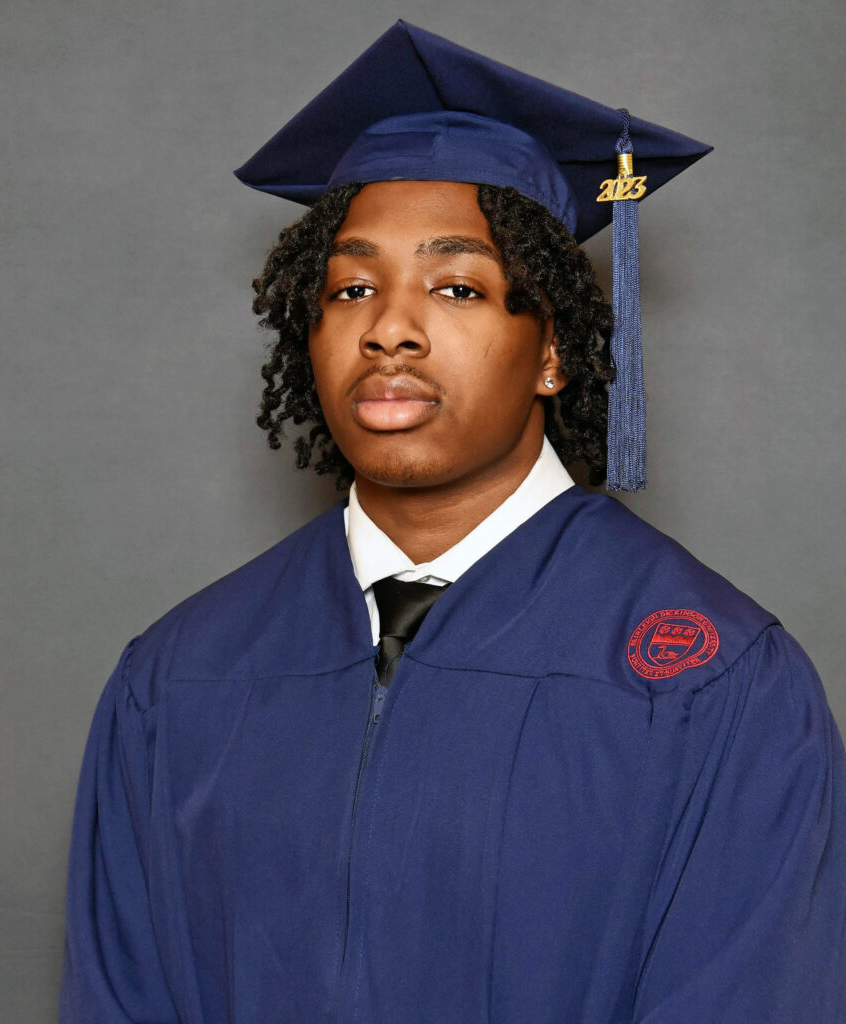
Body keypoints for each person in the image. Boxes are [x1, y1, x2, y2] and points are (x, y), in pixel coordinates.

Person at [59, 20, 846, 1024]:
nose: (389, 326)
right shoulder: (177, 676)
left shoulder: (711, 681)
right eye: (350, 287)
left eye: (456, 286)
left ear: (552, 349)